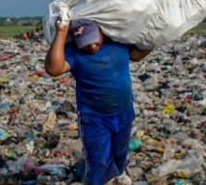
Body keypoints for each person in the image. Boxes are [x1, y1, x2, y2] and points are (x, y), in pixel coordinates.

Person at [45, 18, 151, 185]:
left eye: (94, 41)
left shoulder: (117, 42)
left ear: (101, 31)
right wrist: (61, 32)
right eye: (85, 43)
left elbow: (137, 55)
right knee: (99, 162)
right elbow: (53, 69)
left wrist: (157, 38)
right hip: (93, 118)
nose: (91, 47)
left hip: (124, 112)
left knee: (120, 155)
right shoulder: (73, 52)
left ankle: (118, 175)